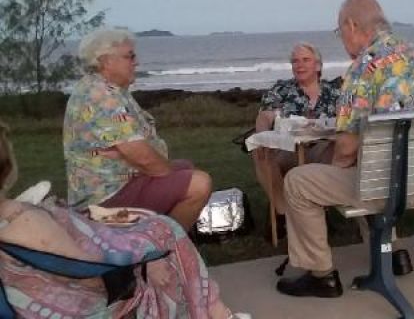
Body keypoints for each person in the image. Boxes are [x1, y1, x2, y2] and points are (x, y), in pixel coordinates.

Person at [276, 0, 414, 298]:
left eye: (340, 32)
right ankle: (392, 254)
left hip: (386, 187)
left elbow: (346, 149)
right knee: (366, 172)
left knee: (299, 182)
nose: (342, 40)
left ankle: (321, 274)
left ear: (352, 25)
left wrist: (332, 169)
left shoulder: (362, 67)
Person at [0, 121, 246, 319]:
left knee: (157, 228)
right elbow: (90, 274)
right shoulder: (22, 219)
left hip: (24, 299)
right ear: (8, 167)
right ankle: (215, 313)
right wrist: (141, 267)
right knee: (167, 234)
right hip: (80, 305)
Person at [63, 29, 212, 231]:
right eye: (129, 56)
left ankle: (152, 233)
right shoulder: (101, 96)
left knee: (185, 167)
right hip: (106, 197)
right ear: (106, 61)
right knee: (198, 184)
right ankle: (162, 247)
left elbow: (137, 151)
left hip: (122, 181)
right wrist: (164, 172)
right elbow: (141, 156)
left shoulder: (106, 88)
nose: (136, 62)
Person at [253, 43, 341, 219]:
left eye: (305, 60)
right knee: (259, 152)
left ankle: (318, 205)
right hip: (288, 150)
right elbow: (265, 117)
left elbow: (346, 118)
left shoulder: (335, 91)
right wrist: (261, 136)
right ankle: (285, 212)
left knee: (342, 147)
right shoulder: (281, 89)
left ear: (318, 65)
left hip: (322, 150)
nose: (299, 65)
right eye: (295, 61)